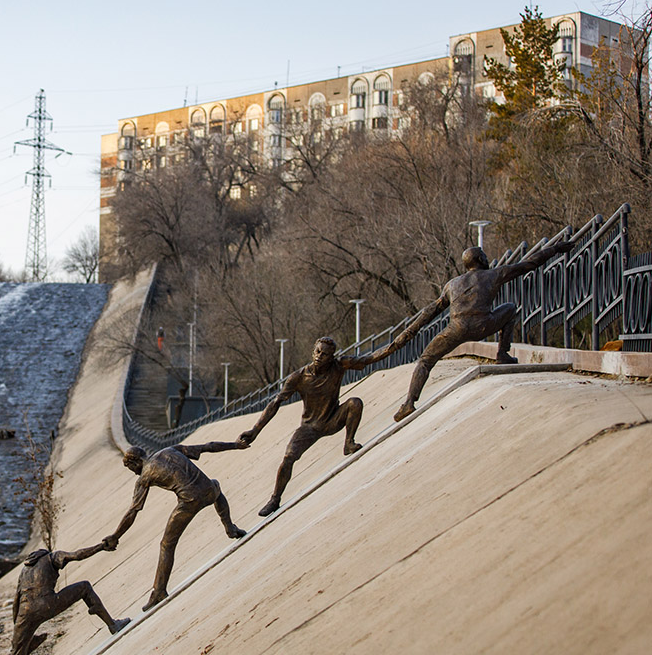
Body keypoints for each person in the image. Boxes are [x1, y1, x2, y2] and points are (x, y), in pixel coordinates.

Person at [391, 238, 572, 422]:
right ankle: (502, 354)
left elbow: (430, 311)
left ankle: (408, 403)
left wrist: (410, 332)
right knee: (509, 308)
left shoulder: (452, 285)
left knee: (425, 360)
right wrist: (556, 248)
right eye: (483, 255)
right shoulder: (494, 274)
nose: (487, 258)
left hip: (456, 329)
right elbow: (529, 264)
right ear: (479, 259)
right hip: (483, 324)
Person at [237, 336, 395, 517]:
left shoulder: (339, 365)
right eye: (318, 352)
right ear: (313, 352)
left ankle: (349, 442)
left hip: (332, 419)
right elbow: (275, 403)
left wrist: (396, 344)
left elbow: (370, 359)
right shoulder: (298, 377)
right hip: (309, 428)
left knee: (355, 403)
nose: (320, 356)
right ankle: (275, 499)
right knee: (289, 457)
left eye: (326, 354)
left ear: (332, 357)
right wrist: (255, 431)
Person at [103, 442, 247, 612]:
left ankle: (159, 591)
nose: (134, 473)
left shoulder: (145, 476)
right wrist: (236, 445)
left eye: (131, 469)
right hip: (209, 491)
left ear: (135, 462)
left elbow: (132, 512)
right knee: (215, 485)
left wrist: (116, 536)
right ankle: (230, 528)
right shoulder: (171, 450)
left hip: (190, 501)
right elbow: (208, 446)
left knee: (167, 544)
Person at [0, 544, 129, 655]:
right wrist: (101, 547)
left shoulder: (24, 570)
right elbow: (77, 555)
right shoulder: (52, 557)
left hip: (25, 612)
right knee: (84, 587)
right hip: (47, 604)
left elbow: (16, 600)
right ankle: (112, 625)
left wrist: (17, 629)